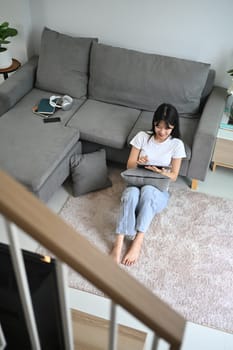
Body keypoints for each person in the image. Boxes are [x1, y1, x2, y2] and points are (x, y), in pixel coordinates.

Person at [110, 103, 186, 265]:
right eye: (159, 126)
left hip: (157, 193)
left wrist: (160, 172)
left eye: (168, 128)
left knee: (149, 191)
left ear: (174, 127)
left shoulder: (176, 144)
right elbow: (129, 166)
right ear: (154, 123)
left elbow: (173, 176)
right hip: (135, 185)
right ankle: (118, 242)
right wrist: (138, 162)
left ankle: (138, 240)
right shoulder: (142, 137)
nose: (162, 132)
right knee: (131, 194)